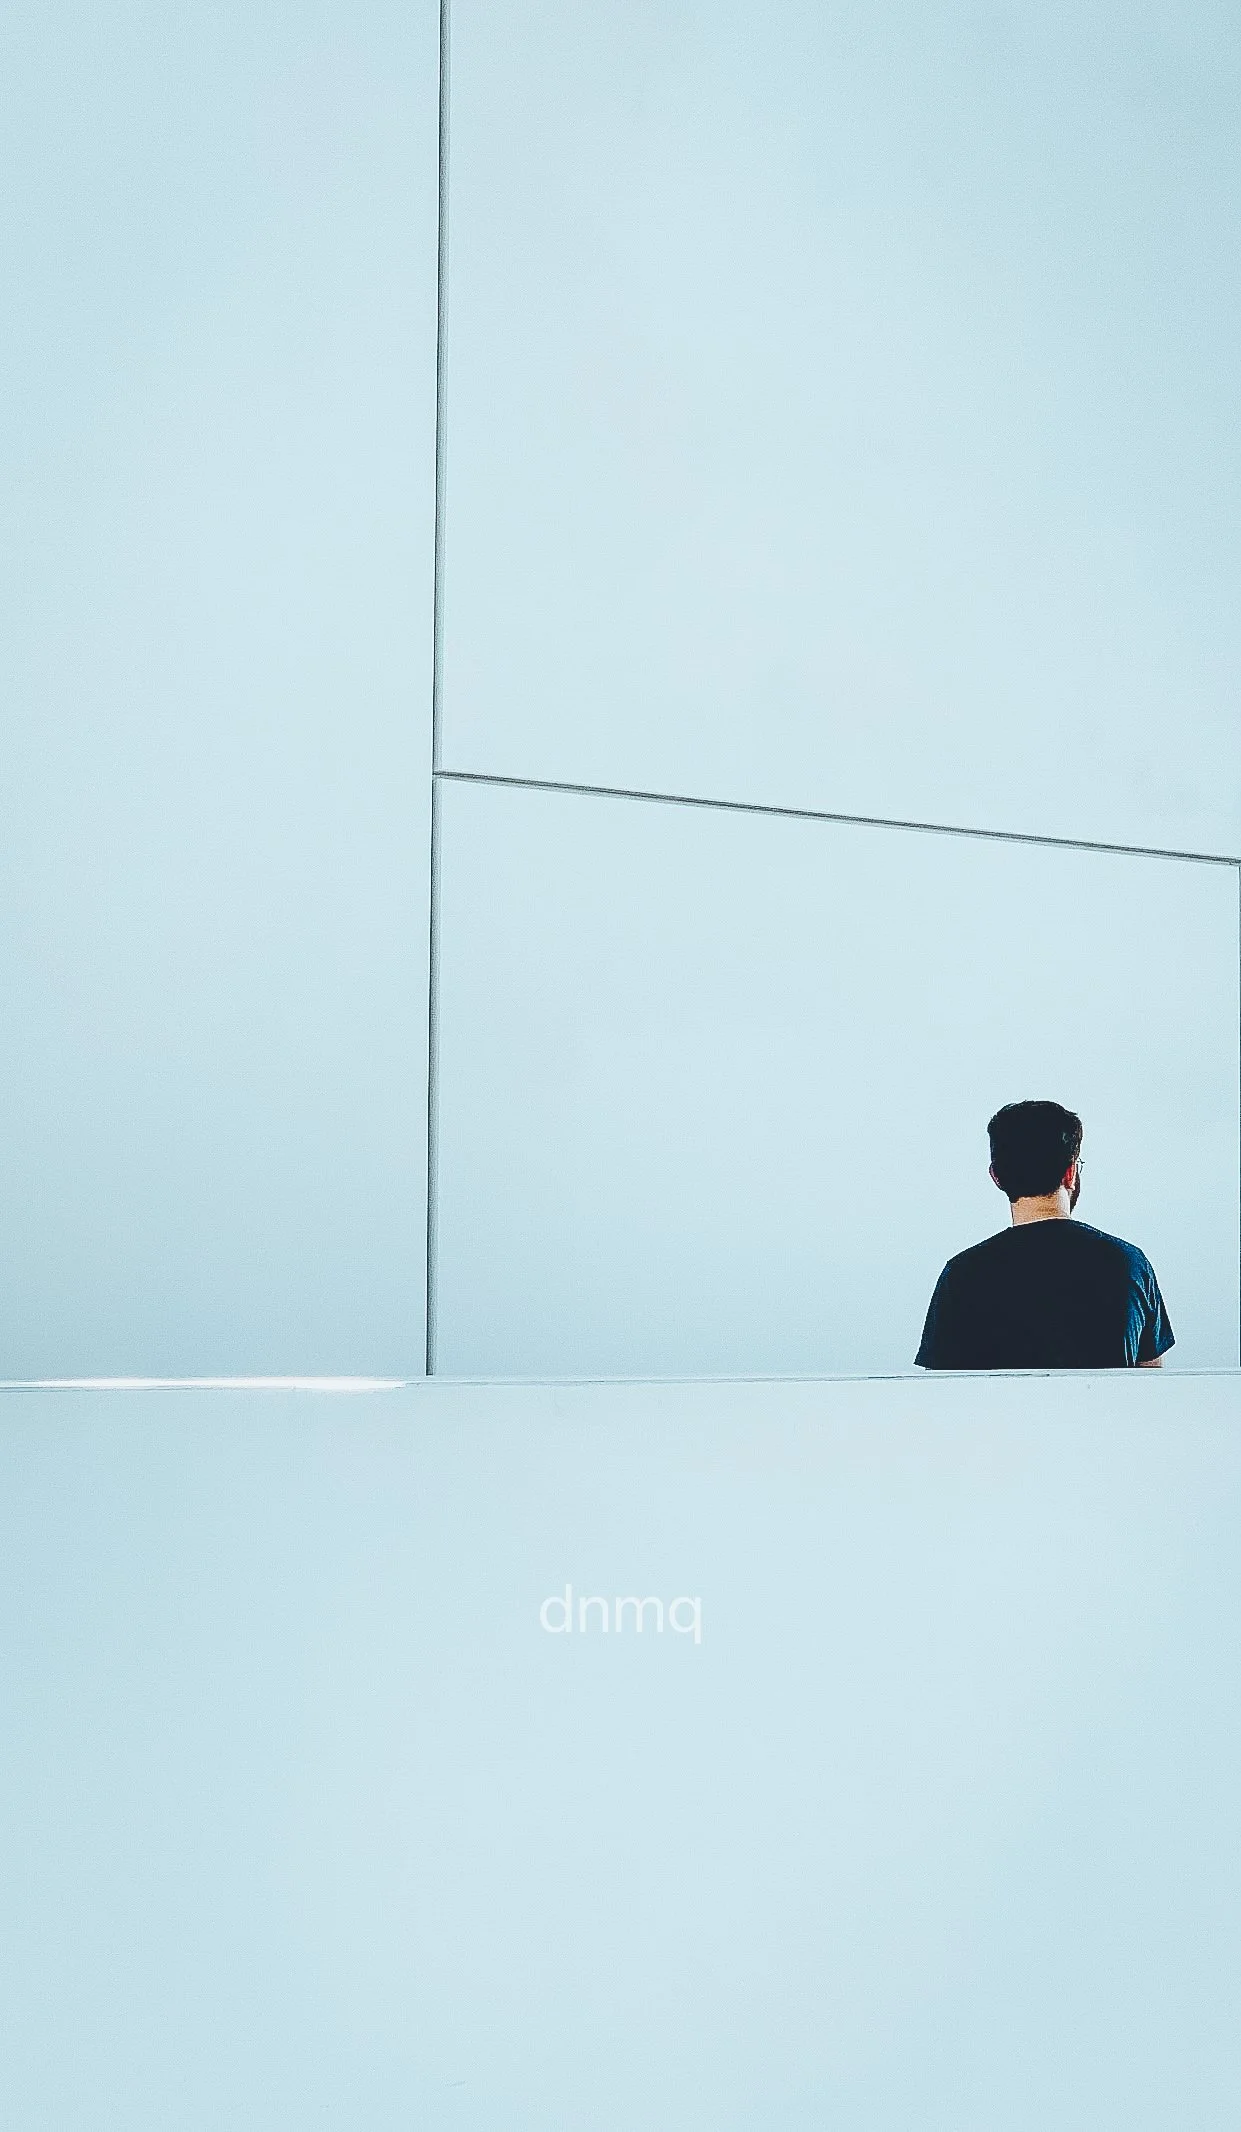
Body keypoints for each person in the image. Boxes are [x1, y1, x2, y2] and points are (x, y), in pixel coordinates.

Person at [916, 1100, 1174, 1371]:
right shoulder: (1130, 1263)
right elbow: (1150, 1382)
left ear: (997, 1178)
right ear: (1070, 1172)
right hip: (1104, 1414)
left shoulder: (961, 1274)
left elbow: (941, 1392)